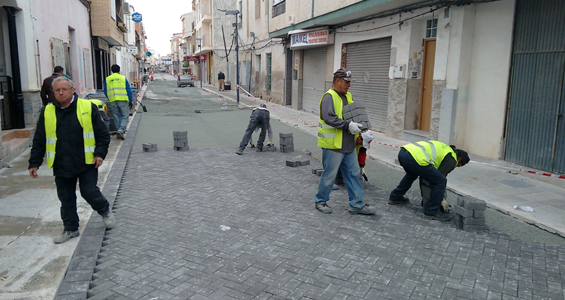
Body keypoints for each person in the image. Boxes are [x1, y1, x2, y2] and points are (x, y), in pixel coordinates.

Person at [28, 76, 115, 244]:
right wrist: (34, 162)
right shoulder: (47, 111)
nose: (61, 93)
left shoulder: (87, 107)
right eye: (57, 90)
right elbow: (39, 139)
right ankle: (71, 228)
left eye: (64, 89)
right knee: (66, 198)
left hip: (86, 161)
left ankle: (105, 211)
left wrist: (99, 154)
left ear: (72, 90)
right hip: (61, 163)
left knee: (88, 191)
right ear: (53, 93)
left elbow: (102, 135)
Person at [314, 68, 376, 215]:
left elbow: (353, 115)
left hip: (348, 145)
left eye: (349, 82)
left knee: (353, 174)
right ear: (337, 81)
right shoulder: (329, 97)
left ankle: (356, 204)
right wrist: (348, 125)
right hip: (334, 146)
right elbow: (329, 118)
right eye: (347, 82)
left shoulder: (348, 96)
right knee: (330, 175)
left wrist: (363, 130)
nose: (349, 85)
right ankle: (320, 201)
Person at [388, 140, 470, 221]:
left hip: (404, 153)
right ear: (459, 159)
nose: (456, 166)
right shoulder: (452, 158)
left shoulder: (446, 149)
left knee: (411, 174)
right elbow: (439, 178)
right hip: (415, 158)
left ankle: (395, 197)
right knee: (441, 181)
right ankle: (431, 212)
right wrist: (440, 198)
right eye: (458, 165)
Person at [104, 64, 133, 140]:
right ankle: (121, 130)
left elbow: (105, 90)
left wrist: (110, 97)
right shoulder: (123, 78)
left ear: (111, 71)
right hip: (122, 100)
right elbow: (128, 90)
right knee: (125, 116)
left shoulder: (108, 79)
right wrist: (131, 100)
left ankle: (119, 133)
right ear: (119, 70)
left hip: (113, 100)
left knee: (116, 117)